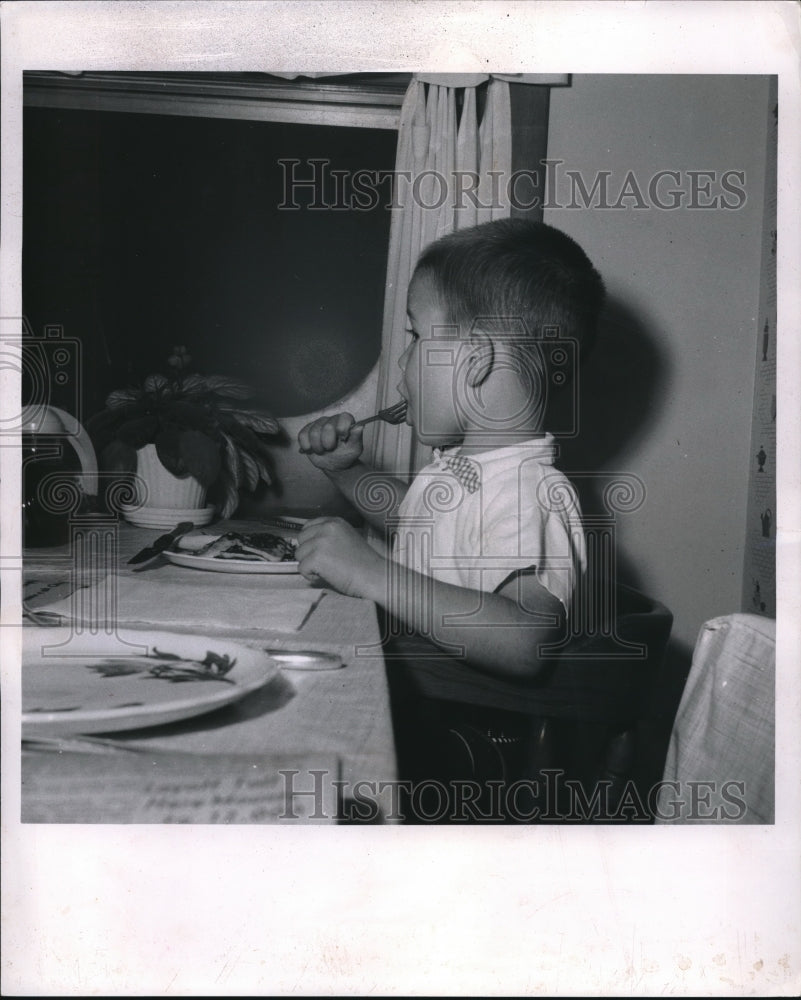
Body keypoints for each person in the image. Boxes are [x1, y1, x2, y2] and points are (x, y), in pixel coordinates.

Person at [296, 219, 605, 684]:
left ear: (475, 360)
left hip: (465, 736)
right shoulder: (467, 468)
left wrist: (371, 574)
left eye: (416, 337)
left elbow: (526, 641)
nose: (403, 360)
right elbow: (421, 525)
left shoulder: (529, 492)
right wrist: (348, 472)